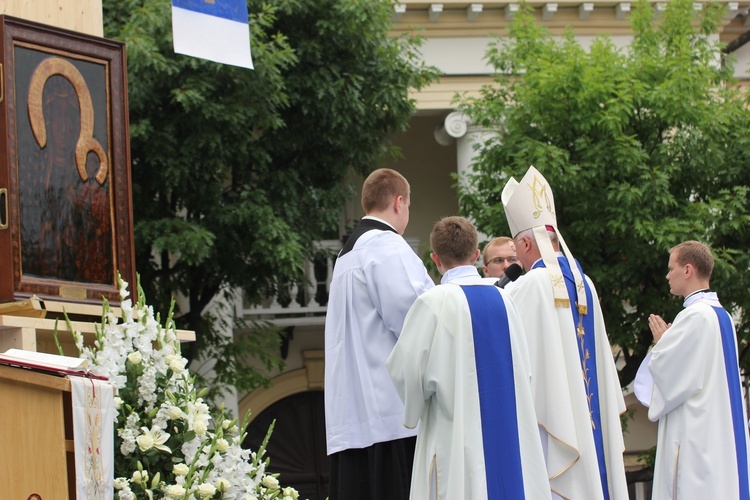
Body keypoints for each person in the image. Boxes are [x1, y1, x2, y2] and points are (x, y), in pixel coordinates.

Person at [387, 216, 550, 499]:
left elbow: (406, 372)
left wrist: (414, 408)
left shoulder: (432, 303)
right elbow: (526, 369)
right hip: (509, 436)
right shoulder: (505, 300)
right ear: (476, 255)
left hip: (453, 432)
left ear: (435, 258)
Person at [501, 166, 628, 499]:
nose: (519, 258)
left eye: (517, 250)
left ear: (527, 242)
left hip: (554, 424)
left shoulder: (529, 286)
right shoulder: (587, 284)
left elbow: (510, 359)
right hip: (590, 423)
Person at [324, 168, 435, 500]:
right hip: (392, 416)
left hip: (356, 420)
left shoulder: (347, 255)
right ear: (399, 202)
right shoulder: (387, 246)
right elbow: (418, 322)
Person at [634, 241, 750, 499]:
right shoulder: (723, 316)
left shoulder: (695, 316)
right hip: (718, 433)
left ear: (688, 270)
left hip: (697, 437)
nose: (667, 275)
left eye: (671, 268)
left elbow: (671, 378)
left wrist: (662, 344)